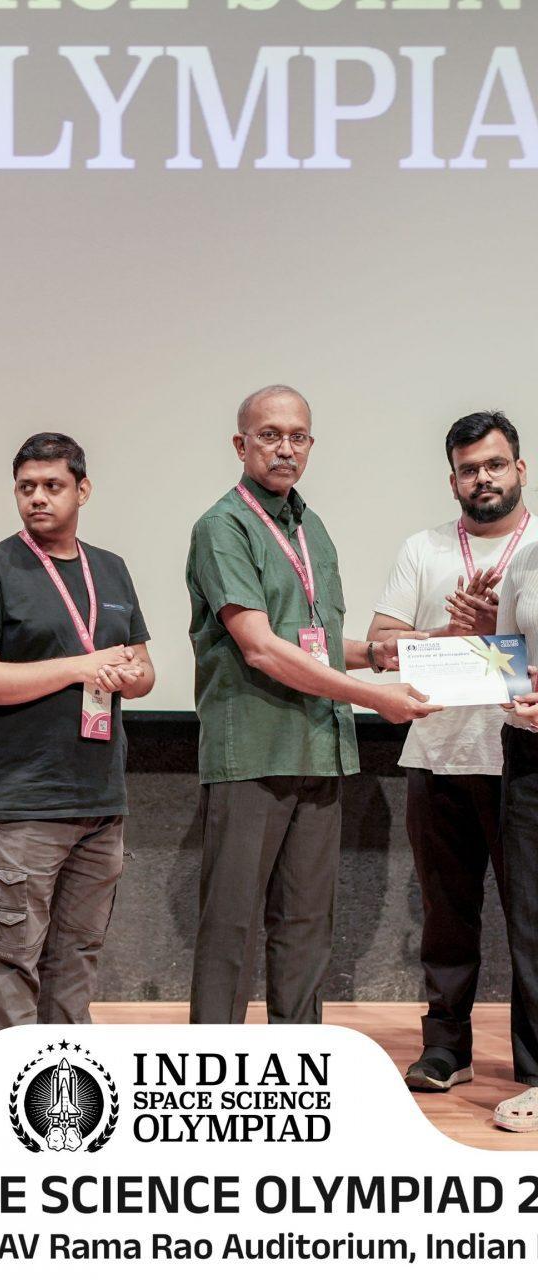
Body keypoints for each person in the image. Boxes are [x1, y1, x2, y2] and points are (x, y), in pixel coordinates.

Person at [186, 384, 441, 1026]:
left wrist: (380, 654)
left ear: (311, 445)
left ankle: (297, 1057)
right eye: (270, 435)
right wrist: (372, 696)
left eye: (297, 436)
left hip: (320, 751)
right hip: (254, 751)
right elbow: (261, 648)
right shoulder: (223, 526)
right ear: (241, 444)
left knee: (306, 925)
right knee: (231, 927)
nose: (285, 449)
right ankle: (211, 1060)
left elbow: (315, 645)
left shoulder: (311, 528)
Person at [0, 432, 154, 1038]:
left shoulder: (110, 568)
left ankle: (65, 1085)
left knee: (77, 959)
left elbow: (144, 672)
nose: (37, 498)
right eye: (26, 487)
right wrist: (80, 667)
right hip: (26, 801)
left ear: (82, 490)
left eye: (52, 485)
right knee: (11, 961)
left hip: (101, 799)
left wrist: (128, 674)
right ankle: (9, 1087)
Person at [369, 410, 536, 1092]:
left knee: (532, 922)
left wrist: (496, 633)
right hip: (438, 755)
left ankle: (532, 1064)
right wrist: (450, 634)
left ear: (519, 469)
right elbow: (382, 643)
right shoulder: (425, 549)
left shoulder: (536, 549)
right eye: (469, 470)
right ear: (453, 480)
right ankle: (446, 1049)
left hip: (523, 761)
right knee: (445, 919)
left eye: (495, 465)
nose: (483, 478)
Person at [491, 542, 538, 1130]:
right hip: (528, 751)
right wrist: (514, 699)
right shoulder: (526, 562)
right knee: (529, 916)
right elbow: (505, 657)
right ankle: (537, 1075)